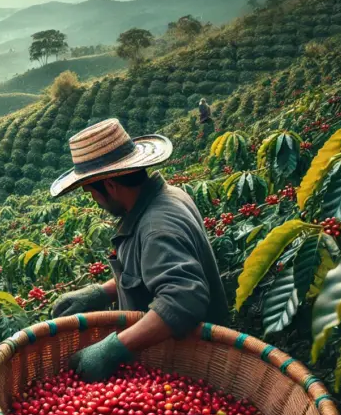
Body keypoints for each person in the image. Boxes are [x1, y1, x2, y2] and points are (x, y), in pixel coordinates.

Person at [48, 119, 228, 382]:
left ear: (109, 185)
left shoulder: (156, 227)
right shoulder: (166, 197)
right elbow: (152, 267)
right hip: (162, 368)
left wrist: (113, 349)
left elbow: (183, 301)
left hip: (191, 369)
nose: (95, 202)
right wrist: (103, 292)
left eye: (91, 193)